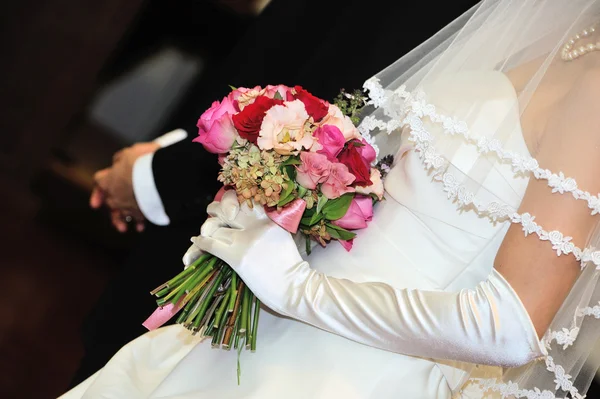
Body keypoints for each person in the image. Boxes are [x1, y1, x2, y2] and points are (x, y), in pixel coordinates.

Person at [64, 0, 600, 397]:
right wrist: (286, 203)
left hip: (358, 367)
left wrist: (297, 289)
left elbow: (510, 326)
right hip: (280, 327)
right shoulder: (557, 32)